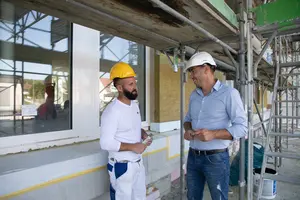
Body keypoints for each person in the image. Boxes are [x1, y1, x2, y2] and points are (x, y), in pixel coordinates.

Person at [183, 52, 247, 200]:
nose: (191, 76)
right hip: (193, 156)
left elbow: (242, 127)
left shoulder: (229, 94)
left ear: (206, 68)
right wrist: (188, 130)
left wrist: (213, 134)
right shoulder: (194, 95)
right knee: (192, 197)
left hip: (216, 159)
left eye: (193, 71)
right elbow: (187, 120)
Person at [100, 62, 152, 200]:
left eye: (134, 83)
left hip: (137, 164)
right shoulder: (112, 111)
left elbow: (131, 127)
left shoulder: (134, 106)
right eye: (130, 84)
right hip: (122, 167)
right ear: (119, 87)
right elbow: (105, 143)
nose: (135, 87)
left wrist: (143, 133)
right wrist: (133, 146)